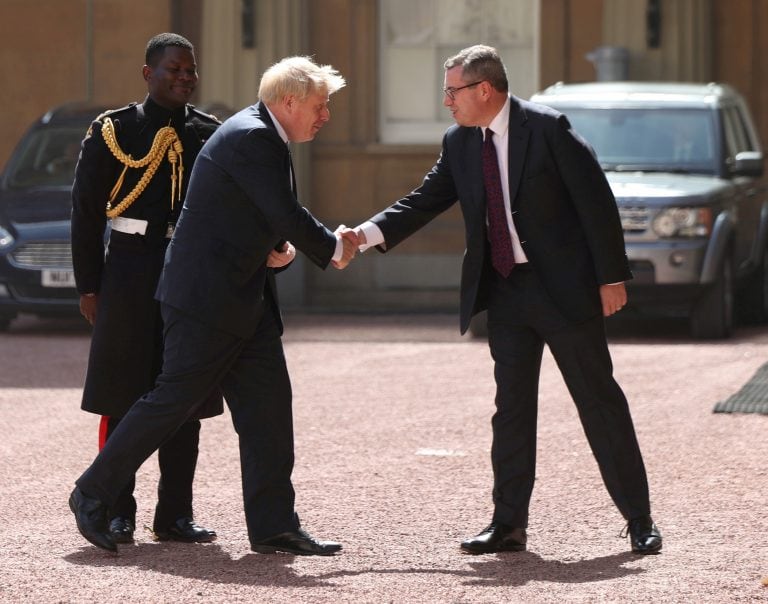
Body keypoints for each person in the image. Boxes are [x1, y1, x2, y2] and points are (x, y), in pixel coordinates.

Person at [352, 45, 662, 555]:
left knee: (598, 401)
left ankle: (639, 519)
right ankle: (508, 524)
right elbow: (423, 201)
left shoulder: (547, 128)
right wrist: (360, 237)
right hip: (506, 292)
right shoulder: (458, 143)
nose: (446, 101)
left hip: (564, 290)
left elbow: (596, 200)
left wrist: (611, 278)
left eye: (452, 91)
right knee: (511, 410)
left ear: (484, 90)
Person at [69, 55, 357, 556]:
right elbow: (284, 212)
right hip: (207, 301)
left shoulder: (259, 135)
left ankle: (273, 526)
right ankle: (92, 493)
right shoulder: (252, 136)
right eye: (320, 104)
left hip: (243, 299)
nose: (325, 115)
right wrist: (332, 247)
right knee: (169, 403)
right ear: (289, 101)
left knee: (268, 410)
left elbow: (260, 214)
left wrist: (282, 249)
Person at [71, 32, 223, 545]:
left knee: (185, 391)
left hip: (186, 269)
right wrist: (89, 286)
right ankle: (116, 507)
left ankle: (175, 514)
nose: (184, 78)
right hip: (130, 269)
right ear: (147, 74)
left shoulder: (209, 132)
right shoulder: (115, 130)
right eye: (173, 69)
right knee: (124, 391)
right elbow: (86, 212)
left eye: (190, 70)